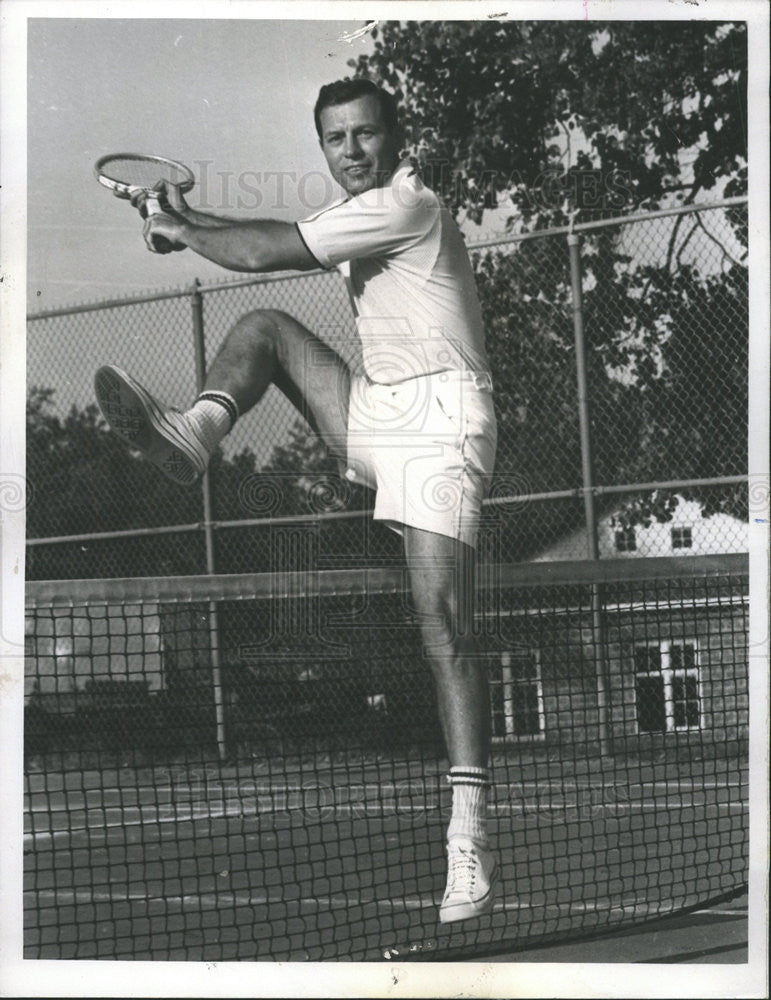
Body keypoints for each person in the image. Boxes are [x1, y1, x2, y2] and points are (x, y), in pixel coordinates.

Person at [95, 78, 498, 924]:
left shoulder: (406, 202)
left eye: (363, 134)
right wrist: (185, 221)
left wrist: (183, 229)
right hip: (377, 411)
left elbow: (265, 247)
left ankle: (468, 838)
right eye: (334, 140)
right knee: (264, 330)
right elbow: (254, 244)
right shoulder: (361, 212)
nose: (350, 151)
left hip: (441, 422)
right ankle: (194, 436)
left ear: (396, 135)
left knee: (442, 623)